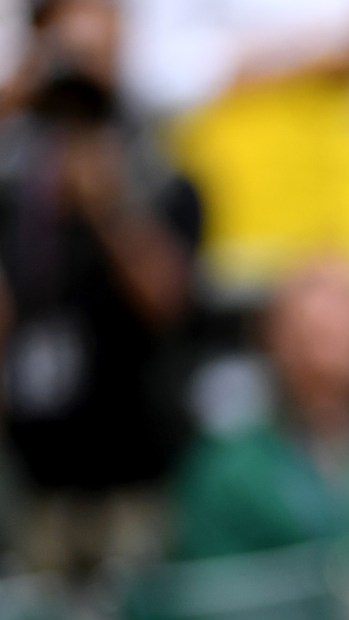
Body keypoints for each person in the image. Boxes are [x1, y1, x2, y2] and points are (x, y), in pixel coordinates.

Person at [0, 0, 198, 577]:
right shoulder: (15, 180)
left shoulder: (157, 165)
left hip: (135, 470)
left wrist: (108, 206)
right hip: (33, 475)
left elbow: (167, 299)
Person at [168, 255, 349, 563]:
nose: (321, 354)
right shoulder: (229, 473)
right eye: (310, 333)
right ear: (271, 338)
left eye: (340, 331)